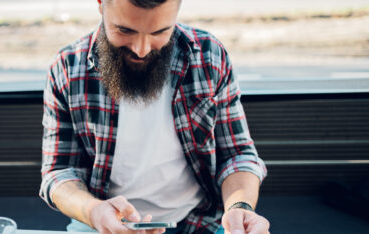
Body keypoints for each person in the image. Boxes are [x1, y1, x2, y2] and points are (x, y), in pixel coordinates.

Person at [39, 0, 269, 233]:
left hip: (200, 222)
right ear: (100, 4)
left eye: (160, 32)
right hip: (97, 221)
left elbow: (237, 154)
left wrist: (240, 208)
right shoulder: (67, 68)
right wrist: (92, 211)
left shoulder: (209, 55)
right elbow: (58, 173)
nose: (142, 49)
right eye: (124, 30)